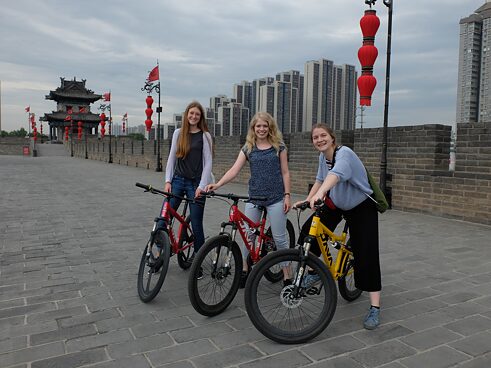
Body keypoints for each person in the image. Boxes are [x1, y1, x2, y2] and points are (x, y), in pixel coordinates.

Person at [293, 123, 382, 330]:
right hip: (337, 203)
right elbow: (320, 179)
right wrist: (307, 200)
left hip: (361, 206)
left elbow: (336, 175)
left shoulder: (345, 154)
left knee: (366, 254)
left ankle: (375, 307)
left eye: (323, 136)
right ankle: (315, 272)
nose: (319, 140)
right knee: (308, 232)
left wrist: (321, 193)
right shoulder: (322, 158)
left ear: (332, 138)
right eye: (315, 137)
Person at [206, 112, 291, 288]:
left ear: (270, 128)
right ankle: (245, 269)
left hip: (275, 197)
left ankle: (287, 275)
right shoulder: (248, 148)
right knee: (248, 236)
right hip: (254, 197)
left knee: (280, 238)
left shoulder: (279, 147)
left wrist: (287, 195)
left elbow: (285, 172)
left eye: (265, 126)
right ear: (253, 128)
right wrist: (218, 184)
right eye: (258, 126)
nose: (261, 129)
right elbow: (234, 169)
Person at [164, 101, 213, 259]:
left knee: (197, 225)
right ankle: (159, 253)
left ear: (201, 117)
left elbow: (208, 163)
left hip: (196, 183)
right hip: (178, 180)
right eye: (191, 113)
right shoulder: (178, 133)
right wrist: (168, 181)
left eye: (197, 114)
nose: (193, 116)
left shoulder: (205, 136)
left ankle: (197, 260)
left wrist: (202, 186)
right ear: (186, 115)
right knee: (164, 218)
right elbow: (171, 158)